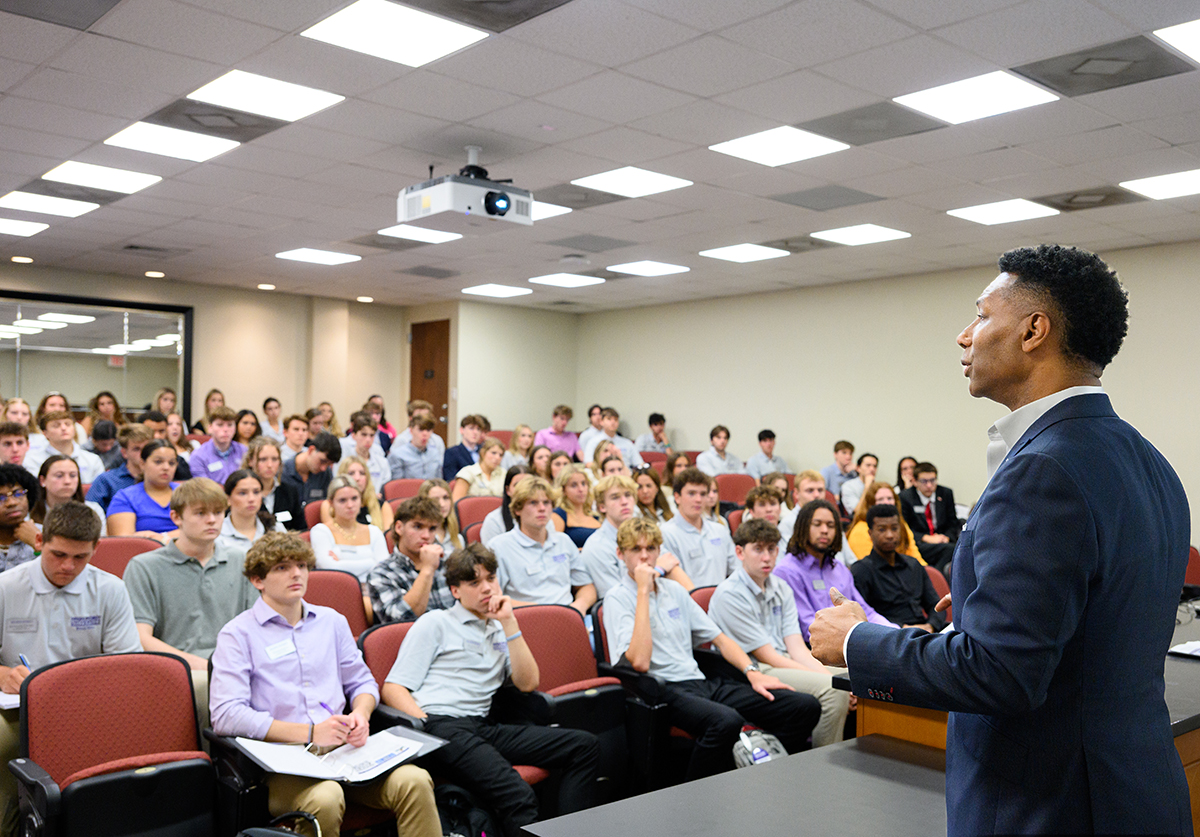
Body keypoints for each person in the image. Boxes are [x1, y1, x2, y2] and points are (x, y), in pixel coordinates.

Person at [812, 244, 1195, 834]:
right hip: (1136, 791)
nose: (964, 337)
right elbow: (1094, 619)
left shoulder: (1044, 470)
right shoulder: (1149, 462)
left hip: (1051, 804)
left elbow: (1002, 674)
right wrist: (980, 605)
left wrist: (858, 641)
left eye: (983, 315)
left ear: (1034, 330)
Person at [210, 532, 440, 837]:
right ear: (257, 580)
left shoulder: (331, 621)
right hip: (284, 763)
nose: (296, 574)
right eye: (281, 567)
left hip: (344, 751)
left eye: (302, 566)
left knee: (415, 780)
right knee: (326, 797)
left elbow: (363, 682)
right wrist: (309, 732)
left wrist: (361, 714)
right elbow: (226, 715)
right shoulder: (237, 634)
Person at [383, 544, 600, 837]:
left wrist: (510, 623)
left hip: (483, 726)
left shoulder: (500, 627)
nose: (486, 588)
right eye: (475, 583)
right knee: (519, 798)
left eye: (490, 579)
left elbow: (528, 684)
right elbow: (393, 688)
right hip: (442, 725)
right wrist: (425, 724)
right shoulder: (436, 623)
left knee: (583, 746)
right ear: (456, 591)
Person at [603, 517, 819, 780]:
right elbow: (639, 662)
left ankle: (772, 775)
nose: (645, 557)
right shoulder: (617, 598)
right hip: (661, 689)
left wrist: (753, 672)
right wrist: (642, 592)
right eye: (636, 550)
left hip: (700, 681)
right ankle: (696, 797)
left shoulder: (674, 590)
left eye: (651, 549)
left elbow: (720, 639)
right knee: (725, 721)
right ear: (620, 554)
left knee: (804, 706)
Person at [0, 502, 140, 836]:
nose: (68, 566)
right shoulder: (6, 587)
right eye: (58, 554)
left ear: (96, 549)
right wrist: (2, 674)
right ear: (39, 542)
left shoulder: (110, 588)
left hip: (89, 704)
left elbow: (126, 666)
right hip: (18, 707)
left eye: (80, 558)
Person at [123, 477, 258, 728]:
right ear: (176, 518)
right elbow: (142, 638)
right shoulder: (144, 567)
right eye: (200, 513)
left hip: (235, 665)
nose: (211, 520)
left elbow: (257, 626)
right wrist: (207, 666)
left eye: (218, 512)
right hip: (177, 669)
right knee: (206, 687)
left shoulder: (241, 560)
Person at [709, 518, 850, 748]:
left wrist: (830, 675)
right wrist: (827, 678)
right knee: (834, 690)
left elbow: (795, 646)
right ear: (739, 552)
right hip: (754, 668)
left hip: (784, 659)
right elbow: (767, 656)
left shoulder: (781, 587)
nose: (766, 557)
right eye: (758, 549)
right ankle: (824, 766)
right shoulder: (729, 594)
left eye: (772, 549)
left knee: (852, 678)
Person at [773, 499, 894, 644]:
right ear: (803, 527)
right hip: (817, 649)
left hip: (852, 642)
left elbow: (865, 612)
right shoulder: (787, 571)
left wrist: (895, 632)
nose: (824, 530)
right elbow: (809, 628)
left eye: (830, 525)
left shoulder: (839, 568)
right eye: (817, 524)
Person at [490, 477, 596, 614]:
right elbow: (494, 598)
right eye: (533, 503)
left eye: (546, 503)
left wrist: (578, 607)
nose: (542, 509)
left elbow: (586, 586)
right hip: (526, 619)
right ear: (517, 509)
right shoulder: (499, 547)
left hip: (567, 616)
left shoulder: (563, 541)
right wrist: (543, 612)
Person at [581, 475, 691, 599]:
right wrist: (658, 570)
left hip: (662, 600)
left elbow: (671, 564)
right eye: (615, 497)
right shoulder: (596, 547)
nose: (624, 502)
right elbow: (617, 598)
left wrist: (694, 599)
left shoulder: (645, 534)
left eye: (628, 495)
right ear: (602, 507)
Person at [849, 505, 945, 633]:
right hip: (888, 636)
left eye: (894, 529)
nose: (890, 535)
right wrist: (902, 628)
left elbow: (936, 605)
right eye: (882, 529)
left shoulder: (913, 565)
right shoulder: (861, 570)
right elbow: (862, 616)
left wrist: (931, 626)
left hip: (925, 632)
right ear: (870, 534)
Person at [366, 498, 455, 623]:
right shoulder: (382, 572)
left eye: (432, 529)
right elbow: (400, 621)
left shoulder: (451, 562)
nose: (426, 536)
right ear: (399, 527)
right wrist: (427, 569)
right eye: (417, 526)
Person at [659, 468, 735, 586]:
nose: (698, 500)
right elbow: (673, 581)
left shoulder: (719, 530)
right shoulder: (666, 533)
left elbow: (735, 571)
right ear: (677, 497)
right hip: (688, 600)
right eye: (691, 493)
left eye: (703, 494)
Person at [308, 476, 389, 582]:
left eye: (354, 498)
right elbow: (328, 569)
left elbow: (385, 568)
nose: (350, 505)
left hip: (373, 588)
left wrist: (341, 561)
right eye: (342, 500)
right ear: (331, 503)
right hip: (337, 589)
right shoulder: (321, 531)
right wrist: (371, 562)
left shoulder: (374, 531)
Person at [105, 439, 180, 543]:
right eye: (158, 462)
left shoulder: (188, 493)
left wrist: (163, 537)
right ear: (142, 464)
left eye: (171, 463)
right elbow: (124, 543)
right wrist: (178, 535)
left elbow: (201, 531)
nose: (166, 467)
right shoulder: (125, 498)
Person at [897, 461, 960, 573]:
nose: (929, 485)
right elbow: (905, 528)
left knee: (956, 548)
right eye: (924, 481)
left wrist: (945, 537)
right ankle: (934, 579)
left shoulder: (945, 493)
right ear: (915, 482)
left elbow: (953, 523)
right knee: (950, 550)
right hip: (921, 543)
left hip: (942, 540)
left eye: (932, 480)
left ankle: (934, 577)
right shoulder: (905, 497)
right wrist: (926, 538)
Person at [845, 481, 922, 563]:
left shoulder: (902, 524)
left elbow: (915, 556)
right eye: (880, 499)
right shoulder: (860, 531)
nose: (886, 503)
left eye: (889, 498)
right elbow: (868, 565)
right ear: (870, 504)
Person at [85, 423, 154, 512]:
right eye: (136, 449)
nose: (143, 454)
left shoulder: (161, 479)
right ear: (124, 453)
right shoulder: (106, 480)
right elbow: (90, 514)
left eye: (147, 448)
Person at [23, 410, 104, 483]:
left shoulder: (93, 460)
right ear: (45, 433)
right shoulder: (32, 461)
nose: (63, 428)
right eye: (56, 425)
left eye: (67, 424)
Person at [32, 455, 106, 535]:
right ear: (42, 480)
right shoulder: (29, 513)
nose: (67, 481)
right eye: (59, 476)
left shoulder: (93, 510)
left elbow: (100, 545)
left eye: (72, 475)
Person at [320, 455, 394, 533]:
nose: (357, 478)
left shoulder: (382, 506)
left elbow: (388, 538)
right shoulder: (329, 505)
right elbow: (333, 535)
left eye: (362, 473)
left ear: (367, 478)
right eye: (351, 473)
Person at [218, 468, 284, 554]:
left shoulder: (276, 528)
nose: (251, 499)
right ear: (228, 499)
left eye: (256, 492)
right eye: (243, 493)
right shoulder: (217, 533)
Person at [244, 437, 303, 531]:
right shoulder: (242, 493)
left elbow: (301, 528)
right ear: (250, 461)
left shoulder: (290, 491)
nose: (270, 465)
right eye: (263, 459)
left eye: (274, 459)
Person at [189, 406, 249, 486]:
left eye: (230, 425)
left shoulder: (244, 451)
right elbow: (203, 489)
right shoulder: (198, 456)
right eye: (220, 425)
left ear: (235, 428)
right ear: (210, 428)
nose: (225, 429)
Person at [281, 430, 341, 505]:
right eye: (322, 461)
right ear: (311, 450)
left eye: (329, 464)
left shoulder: (325, 474)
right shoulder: (283, 471)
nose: (323, 468)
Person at [479, 466, 532, 547]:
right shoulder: (494, 521)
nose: (523, 489)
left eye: (529, 484)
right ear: (508, 490)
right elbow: (490, 556)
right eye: (517, 485)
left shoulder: (543, 516)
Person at [550, 464, 601, 546]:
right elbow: (555, 549)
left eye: (584, 484)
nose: (581, 489)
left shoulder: (596, 516)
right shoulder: (558, 515)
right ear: (563, 490)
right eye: (574, 485)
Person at [0, 466, 38, 572]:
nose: (12, 503)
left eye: (18, 493)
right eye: (1, 498)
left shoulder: (48, 534)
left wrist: (39, 545)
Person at [778, 469, 828, 547]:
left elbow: (850, 558)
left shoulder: (831, 521)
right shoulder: (788, 523)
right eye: (810, 490)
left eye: (820, 490)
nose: (816, 495)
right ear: (796, 494)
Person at [450, 436, 504, 502]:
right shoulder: (468, 472)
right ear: (483, 453)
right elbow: (456, 502)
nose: (497, 458)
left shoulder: (504, 474)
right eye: (493, 453)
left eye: (500, 455)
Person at [387, 415, 442, 480]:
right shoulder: (398, 455)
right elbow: (397, 485)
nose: (425, 434)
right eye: (421, 430)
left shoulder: (434, 453)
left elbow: (439, 481)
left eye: (428, 430)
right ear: (411, 430)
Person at [344, 413, 391, 488]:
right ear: (354, 436)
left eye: (372, 435)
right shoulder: (345, 461)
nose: (368, 439)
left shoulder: (382, 463)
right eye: (364, 434)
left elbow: (385, 488)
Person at [417, 479, 462, 554]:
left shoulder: (458, 539)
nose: (442, 504)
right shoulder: (418, 538)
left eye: (445, 498)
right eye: (435, 499)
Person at [443, 414, 484, 482]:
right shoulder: (452, 452)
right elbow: (450, 479)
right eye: (471, 428)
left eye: (478, 429)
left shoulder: (483, 451)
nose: (475, 432)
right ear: (462, 430)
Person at [838, 452, 878, 518]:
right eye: (868, 465)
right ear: (858, 468)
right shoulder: (848, 486)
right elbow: (857, 512)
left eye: (875, 466)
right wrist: (867, 488)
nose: (872, 469)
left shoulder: (878, 487)